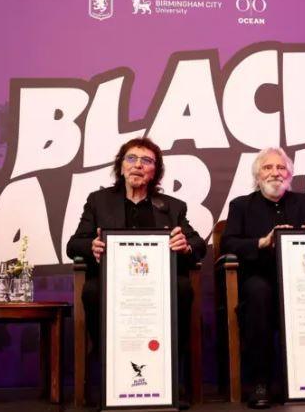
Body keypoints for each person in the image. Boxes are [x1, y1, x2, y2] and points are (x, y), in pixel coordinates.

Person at [66, 137, 206, 408]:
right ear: (120, 166)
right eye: (131, 158)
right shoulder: (99, 201)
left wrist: (185, 247)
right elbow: (73, 244)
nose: (138, 165)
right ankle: (107, 377)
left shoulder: (173, 206)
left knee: (182, 288)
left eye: (147, 160)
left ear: (156, 171)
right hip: (111, 283)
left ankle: (169, 380)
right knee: (93, 291)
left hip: (158, 286)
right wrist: (90, 246)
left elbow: (198, 244)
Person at [221, 147, 305, 409]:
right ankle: (260, 383)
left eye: (280, 168)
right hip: (259, 278)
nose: (275, 173)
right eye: (268, 168)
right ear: (257, 175)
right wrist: (261, 242)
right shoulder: (241, 205)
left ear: (289, 174)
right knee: (259, 293)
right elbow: (228, 243)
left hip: (302, 281)